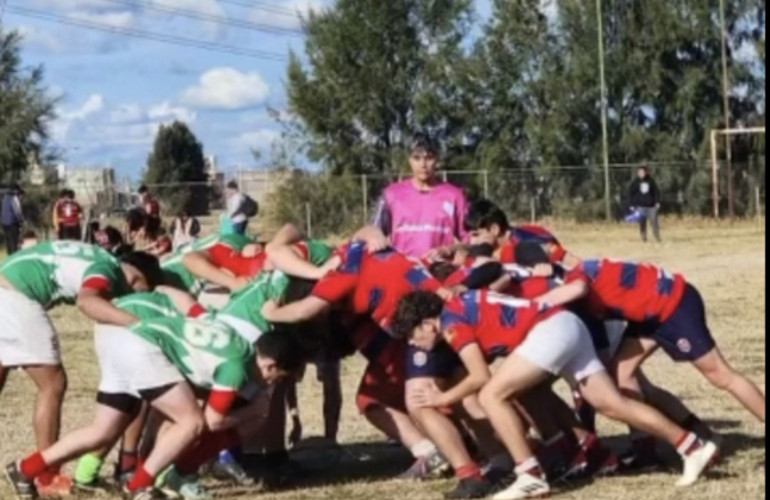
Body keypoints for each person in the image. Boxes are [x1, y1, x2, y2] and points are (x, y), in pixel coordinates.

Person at [393, 290, 720, 499]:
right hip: (566, 325)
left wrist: (442, 399)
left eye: (411, 335)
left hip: (549, 329)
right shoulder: (458, 305)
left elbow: (479, 376)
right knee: (612, 403)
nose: (411, 343)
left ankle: (529, 475)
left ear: (427, 323)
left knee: (493, 395)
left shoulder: (451, 322)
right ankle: (691, 445)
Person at [0, 242, 162, 496]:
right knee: (52, 385)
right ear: (137, 279)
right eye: (143, 292)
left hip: (6, 280)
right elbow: (87, 302)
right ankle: (47, 475)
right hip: (15, 295)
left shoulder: (99, 254)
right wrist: (140, 324)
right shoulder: (109, 269)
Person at [371, 132, 468, 258]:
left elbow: (471, 240)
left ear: (437, 159)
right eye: (417, 158)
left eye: (429, 158)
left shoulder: (454, 196)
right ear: (409, 160)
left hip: (439, 272)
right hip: (401, 272)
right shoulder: (392, 194)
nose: (423, 165)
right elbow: (373, 231)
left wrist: (448, 250)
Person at [628, 166, 662, 243]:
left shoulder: (650, 181)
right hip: (640, 206)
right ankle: (643, 237)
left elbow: (656, 192)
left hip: (651, 206)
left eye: (643, 172)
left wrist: (657, 202)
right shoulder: (635, 182)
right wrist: (631, 205)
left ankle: (657, 236)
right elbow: (630, 193)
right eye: (640, 172)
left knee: (654, 222)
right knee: (642, 222)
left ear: (646, 172)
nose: (641, 173)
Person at [2, 184, 25, 255]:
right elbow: (17, 212)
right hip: (13, 224)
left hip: (5, 224)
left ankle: (9, 258)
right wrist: (21, 222)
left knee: (9, 244)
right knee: (14, 244)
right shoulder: (14, 199)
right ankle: (15, 257)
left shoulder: (5, 198)